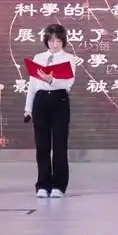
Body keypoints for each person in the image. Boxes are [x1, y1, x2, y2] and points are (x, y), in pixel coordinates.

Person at [24, 24, 77, 198]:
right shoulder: (39, 57)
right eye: (51, 40)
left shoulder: (69, 58)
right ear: (46, 41)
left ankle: (59, 185)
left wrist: (51, 80)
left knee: (59, 144)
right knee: (42, 145)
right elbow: (32, 85)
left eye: (58, 41)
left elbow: (68, 83)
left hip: (59, 99)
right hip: (41, 100)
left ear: (63, 42)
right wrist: (28, 108)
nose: (54, 44)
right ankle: (42, 184)